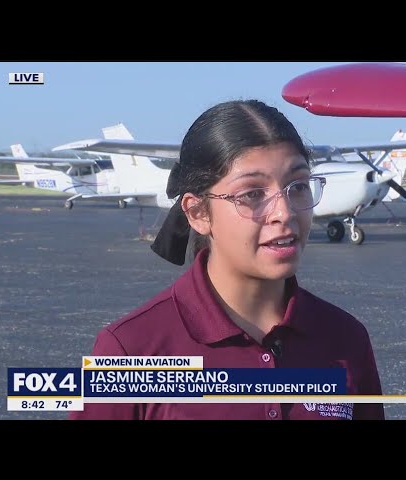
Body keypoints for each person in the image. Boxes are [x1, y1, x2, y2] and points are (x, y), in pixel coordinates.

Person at [70, 99, 384, 420]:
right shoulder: (130, 349)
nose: (285, 212)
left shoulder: (346, 337)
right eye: (251, 194)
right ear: (197, 213)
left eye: (299, 186)